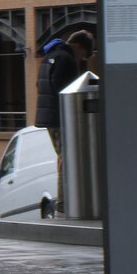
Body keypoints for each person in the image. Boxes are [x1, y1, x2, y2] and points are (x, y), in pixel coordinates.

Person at [34, 29, 94, 212]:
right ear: (78, 46)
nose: (81, 59)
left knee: (63, 157)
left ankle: (65, 202)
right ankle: (63, 203)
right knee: (68, 158)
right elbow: (64, 88)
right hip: (61, 117)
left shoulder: (49, 57)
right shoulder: (65, 59)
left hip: (48, 117)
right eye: (83, 54)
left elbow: (40, 85)